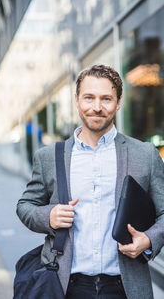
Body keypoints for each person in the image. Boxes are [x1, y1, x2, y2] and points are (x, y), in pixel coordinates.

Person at [16, 65, 164, 299]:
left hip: (125, 286)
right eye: (89, 98)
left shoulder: (144, 154)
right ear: (77, 100)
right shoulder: (49, 157)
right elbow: (25, 206)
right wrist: (49, 216)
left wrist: (149, 239)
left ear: (118, 103)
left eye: (106, 99)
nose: (97, 107)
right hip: (67, 285)